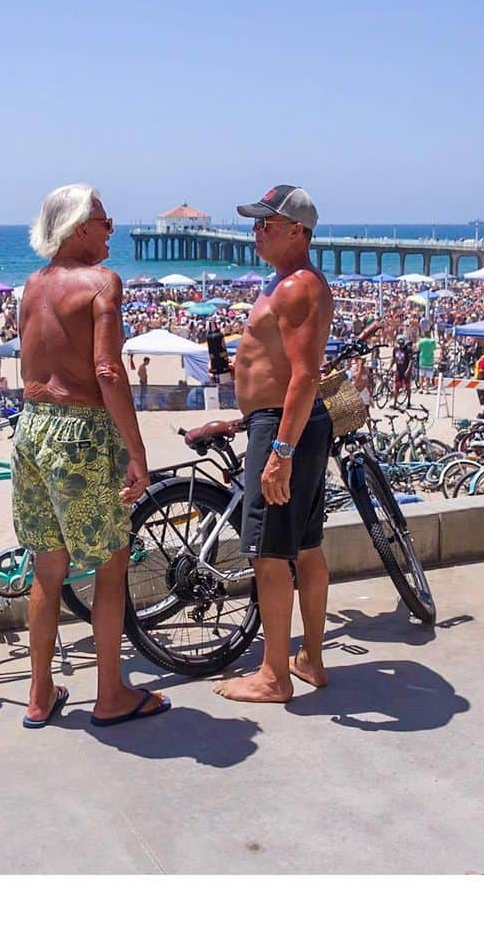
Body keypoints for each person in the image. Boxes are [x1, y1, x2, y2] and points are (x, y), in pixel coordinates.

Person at [13, 183, 169, 729]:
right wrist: (136, 450)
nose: (112, 231)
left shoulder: (30, 288)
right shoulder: (103, 282)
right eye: (105, 221)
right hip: (81, 433)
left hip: (31, 428)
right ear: (81, 227)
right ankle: (110, 695)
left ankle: (39, 695)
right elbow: (107, 371)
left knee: (47, 568)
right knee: (109, 565)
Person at [212, 183, 334, 705]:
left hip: (284, 426)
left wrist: (280, 453)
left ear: (298, 232)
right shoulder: (284, 282)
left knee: (268, 552)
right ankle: (309, 659)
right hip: (288, 424)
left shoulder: (296, 287)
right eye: (255, 222)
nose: (255, 231)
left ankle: (273, 674)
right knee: (305, 546)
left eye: (266, 223)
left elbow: (305, 376)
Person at [392, 335, 413, 408]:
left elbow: (411, 360)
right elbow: (393, 359)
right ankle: (394, 404)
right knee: (396, 387)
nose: (401, 346)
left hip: (406, 371)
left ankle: (409, 402)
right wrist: (390, 368)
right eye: (399, 344)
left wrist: (408, 370)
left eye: (402, 344)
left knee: (408, 387)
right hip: (399, 371)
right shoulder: (395, 349)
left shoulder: (408, 349)